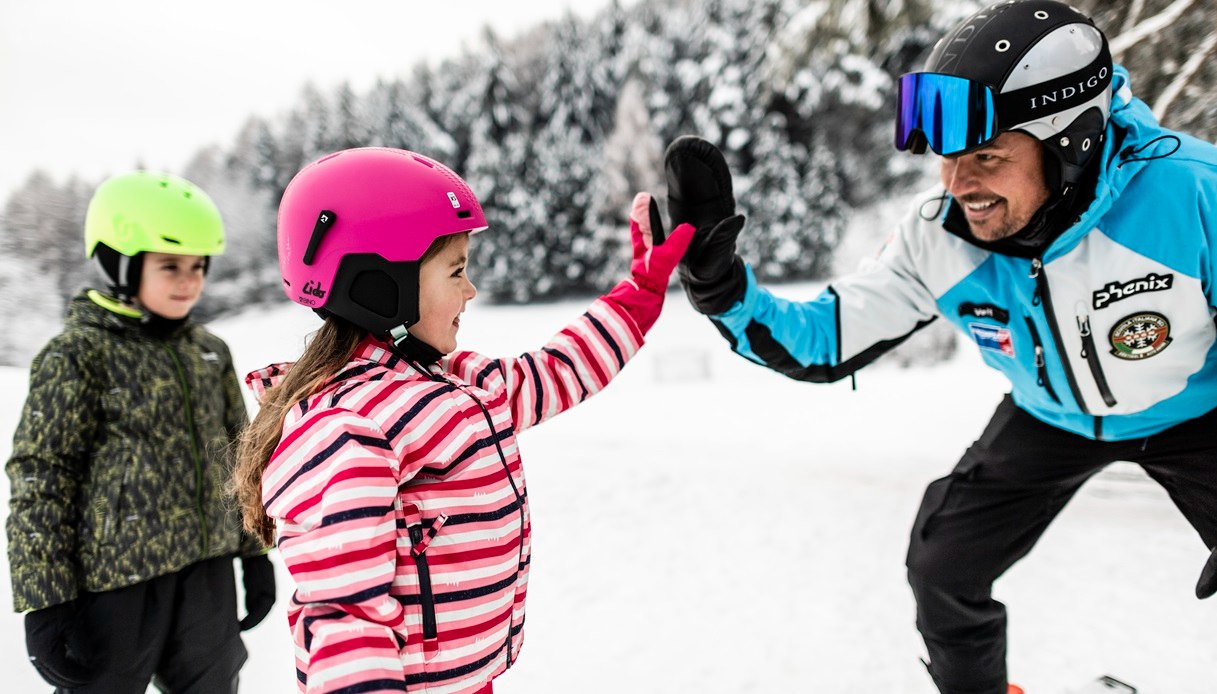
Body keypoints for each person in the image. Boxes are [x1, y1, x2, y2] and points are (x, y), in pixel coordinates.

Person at [664, 1, 1217, 692]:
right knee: (941, 567)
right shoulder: (941, 235)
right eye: (948, 161)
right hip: (1049, 415)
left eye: (986, 158)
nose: (958, 187)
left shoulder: (1195, 194)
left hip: (1194, 413)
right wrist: (720, 287)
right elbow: (824, 341)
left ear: (1071, 141)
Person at [231, 146, 693, 694]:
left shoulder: (452, 384)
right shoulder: (345, 427)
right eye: (456, 271)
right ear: (379, 283)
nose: (470, 290)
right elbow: (343, 617)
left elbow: (555, 373)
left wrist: (639, 293)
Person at [5, 171, 276, 692]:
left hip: (206, 575)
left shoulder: (209, 352)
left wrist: (255, 553)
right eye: (170, 265)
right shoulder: (78, 354)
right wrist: (46, 599)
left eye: (198, 266)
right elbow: (42, 476)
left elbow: (238, 461)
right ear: (120, 262)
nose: (189, 280)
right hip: (115, 585)